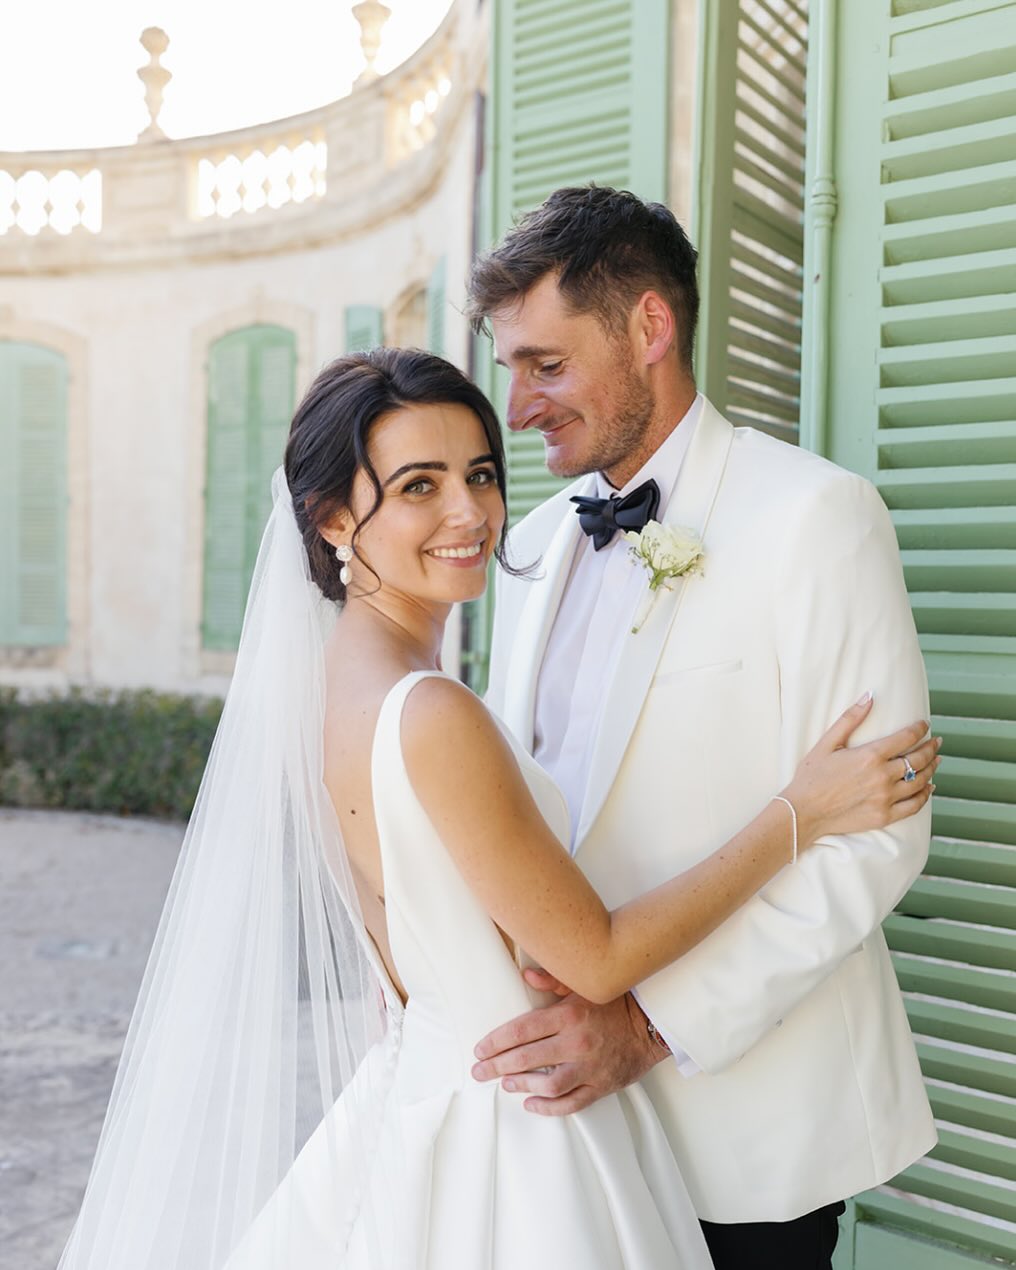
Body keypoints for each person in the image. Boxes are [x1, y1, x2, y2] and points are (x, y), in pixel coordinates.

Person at [57, 348, 935, 1270]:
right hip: (515, 1128)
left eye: (479, 474)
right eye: (418, 486)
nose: (469, 512)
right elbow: (596, 957)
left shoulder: (324, 693)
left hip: (430, 1088)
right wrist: (797, 813)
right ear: (334, 520)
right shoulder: (430, 712)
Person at [467, 185, 938, 1270]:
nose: (520, 407)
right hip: (564, 1131)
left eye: (546, 365)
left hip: (751, 1124)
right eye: (511, 370)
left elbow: (876, 837)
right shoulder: (531, 543)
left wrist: (643, 1029)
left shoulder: (817, 517)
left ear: (648, 326)